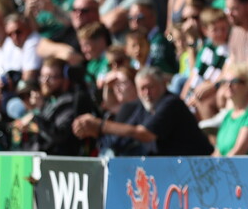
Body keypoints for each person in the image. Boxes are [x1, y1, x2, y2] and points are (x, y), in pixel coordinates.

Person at [73, 67, 213, 156]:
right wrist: (96, 131)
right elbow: (127, 133)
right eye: (142, 89)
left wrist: (100, 125)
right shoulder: (143, 106)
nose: (146, 93)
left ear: (163, 85)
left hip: (194, 168)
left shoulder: (171, 103)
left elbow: (145, 134)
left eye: (150, 87)